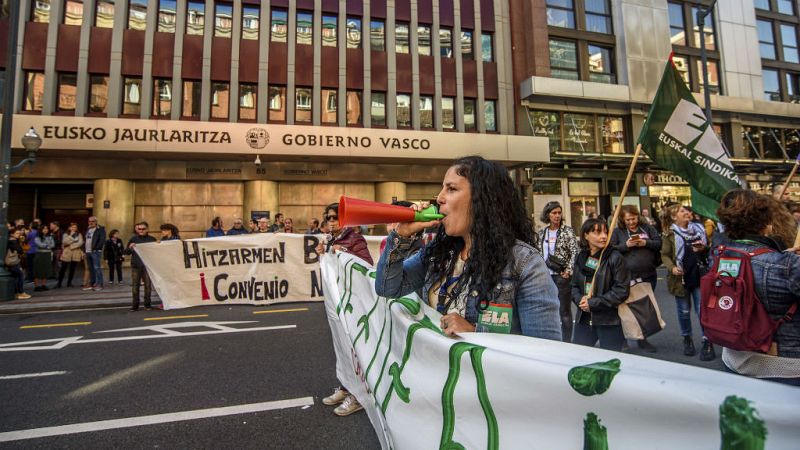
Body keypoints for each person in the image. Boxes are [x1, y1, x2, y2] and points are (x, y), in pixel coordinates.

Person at [715, 189, 800, 386]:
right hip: (782, 365)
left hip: (734, 358)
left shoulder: (720, 255)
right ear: (767, 225)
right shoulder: (787, 265)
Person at [317, 200, 380, 417]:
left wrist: (342, 252)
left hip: (351, 304)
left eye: (336, 217)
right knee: (342, 347)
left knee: (355, 348)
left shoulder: (355, 238)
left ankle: (361, 394)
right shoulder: (329, 239)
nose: (332, 222)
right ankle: (346, 386)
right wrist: (324, 252)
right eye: (329, 218)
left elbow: (365, 266)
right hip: (337, 304)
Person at [661, 204, 715, 361]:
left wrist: (703, 248)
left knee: (702, 311)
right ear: (673, 217)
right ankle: (687, 339)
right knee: (684, 312)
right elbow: (664, 255)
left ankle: (707, 341)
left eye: (687, 210)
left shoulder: (699, 228)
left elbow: (709, 249)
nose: (687, 213)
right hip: (681, 278)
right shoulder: (669, 233)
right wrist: (672, 268)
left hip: (699, 275)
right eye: (682, 211)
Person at [571, 218, 631, 351]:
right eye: (597, 232)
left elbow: (621, 291)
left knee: (609, 362)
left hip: (608, 320)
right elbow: (574, 285)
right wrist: (579, 299)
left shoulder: (615, 257)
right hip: (584, 319)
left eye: (605, 232)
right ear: (586, 235)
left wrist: (593, 303)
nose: (603, 236)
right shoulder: (581, 257)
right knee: (579, 357)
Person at [608, 204, 662, 352]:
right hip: (626, 276)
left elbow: (658, 243)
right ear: (622, 220)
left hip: (648, 274)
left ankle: (642, 339)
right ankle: (623, 339)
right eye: (628, 220)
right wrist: (626, 245)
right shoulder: (618, 232)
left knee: (646, 308)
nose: (631, 222)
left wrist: (646, 243)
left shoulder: (647, 228)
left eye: (633, 218)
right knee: (624, 308)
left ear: (638, 216)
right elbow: (610, 249)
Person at [533, 201, 580, 342]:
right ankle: (551, 339)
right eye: (554, 213)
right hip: (546, 276)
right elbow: (538, 253)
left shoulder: (567, 231)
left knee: (564, 311)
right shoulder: (542, 233)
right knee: (547, 308)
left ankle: (566, 342)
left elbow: (575, 252)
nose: (557, 216)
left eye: (559, 213)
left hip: (561, 276)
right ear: (548, 215)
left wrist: (569, 270)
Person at [126, 222, 157, 311]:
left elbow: (156, 252)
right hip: (136, 265)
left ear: (147, 229)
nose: (141, 230)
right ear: (137, 229)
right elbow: (126, 252)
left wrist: (158, 244)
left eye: (143, 229)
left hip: (147, 266)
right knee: (135, 286)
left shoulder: (152, 239)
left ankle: (147, 304)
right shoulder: (133, 239)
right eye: (139, 229)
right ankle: (135, 305)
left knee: (148, 286)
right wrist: (130, 247)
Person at [57, 223, 84, 288]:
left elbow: (80, 243)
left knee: (72, 269)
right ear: (69, 228)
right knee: (63, 269)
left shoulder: (79, 234)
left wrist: (71, 245)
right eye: (72, 227)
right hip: (67, 253)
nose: (74, 228)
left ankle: (69, 283)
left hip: (75, 253)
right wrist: (71, 236)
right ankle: (59, 283)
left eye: (75, 227)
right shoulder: (66, 234)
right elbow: (64, 242)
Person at [6, 228, 30, 299]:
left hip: (13, 262)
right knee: (21, 275)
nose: (19, 235)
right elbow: (20, 250)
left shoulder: (12, 241)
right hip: (12, 262)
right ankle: (21, 292)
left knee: (17, 277)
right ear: (12, 234)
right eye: (17, 233)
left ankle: (17, 293)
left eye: (19, 233)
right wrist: (21, 244)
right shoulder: (12, 241)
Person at [84, 216, 106, 291]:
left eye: (93, 221)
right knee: (91, 268)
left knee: (97, 267)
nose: (91, 222)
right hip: (87, 251)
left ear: (96, 222)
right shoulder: (88, 229)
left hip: (95, 251)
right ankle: (92, 283)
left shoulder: (100, 229)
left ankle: (100, 284)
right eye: (89, 221)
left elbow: (102, 240)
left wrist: (96, 248)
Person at [33, 225, 55, 291]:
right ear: (41, 230)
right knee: (38, 270)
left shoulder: (50, 237)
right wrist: (48, 245)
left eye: (46, 228)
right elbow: (39, 244)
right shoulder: (37, 237)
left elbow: (53, 244)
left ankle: (43, 285)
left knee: (46, 270)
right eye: (44, 229)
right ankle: (36, 286)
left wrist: (46, 245)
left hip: (47, 254)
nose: (45, 230)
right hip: (40, 254)